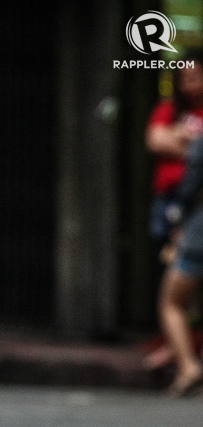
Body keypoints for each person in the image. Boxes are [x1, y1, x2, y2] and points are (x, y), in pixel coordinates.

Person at [142, 50, 203, 375]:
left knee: (175, 295)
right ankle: (177, 344)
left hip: (191, 216)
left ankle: (187, 361)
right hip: (173, 205)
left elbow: (192, 162)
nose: (190, 85)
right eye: (185, 80)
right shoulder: (170, 109)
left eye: (196, 77)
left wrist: (183, 142)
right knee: (169, 276)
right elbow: (154, 140)